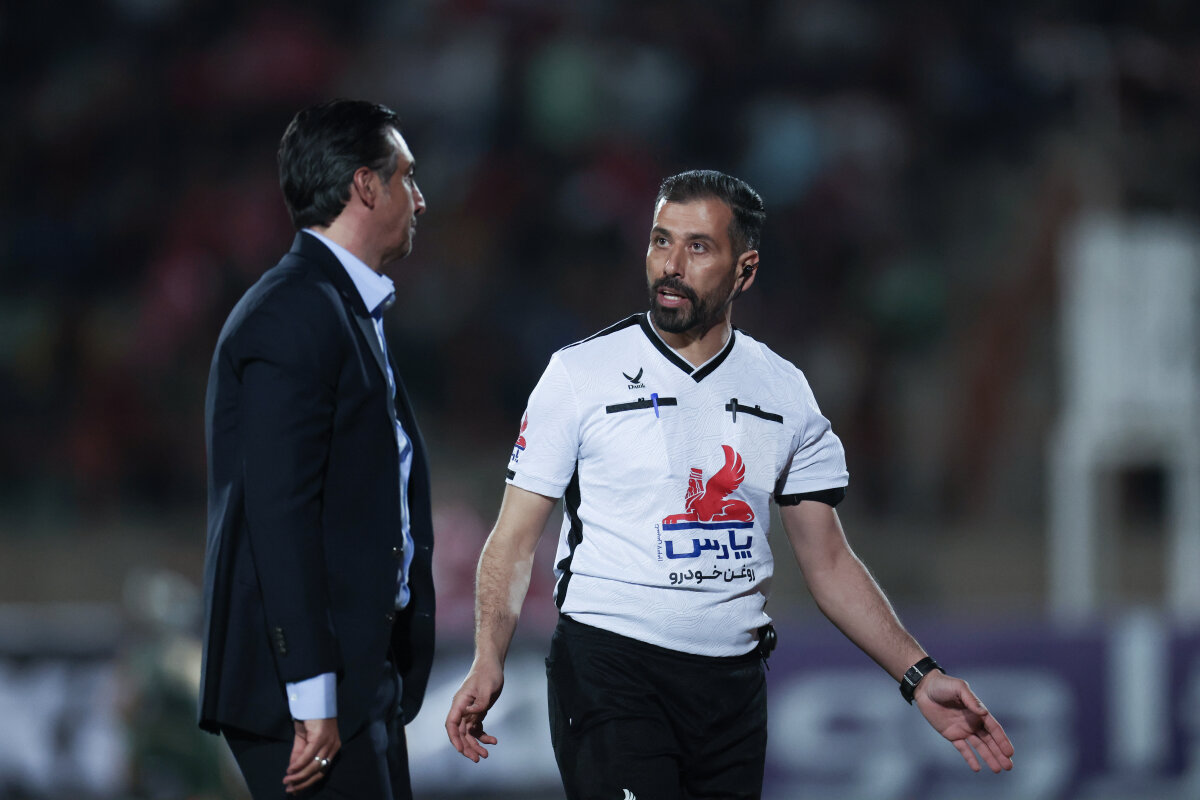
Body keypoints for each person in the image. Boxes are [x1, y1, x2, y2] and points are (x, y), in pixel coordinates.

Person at [445, 170, 1014, 799]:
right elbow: (513, 538)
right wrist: (488, 656)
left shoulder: (785, 390)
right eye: (661, 241)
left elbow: (828, 560)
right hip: (610, 669)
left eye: (698, 247)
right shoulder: (579, 374)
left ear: (745, 270)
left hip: (732, 690)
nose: (671, 265)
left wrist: (918, 674)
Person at [199, 99, 435, 799]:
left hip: (353, 678)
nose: (420, 199)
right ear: (366, 186)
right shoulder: (294, 311)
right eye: (406, 177)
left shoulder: (337, 305)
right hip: (307, 698)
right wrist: (311, 693)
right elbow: (280, 515)